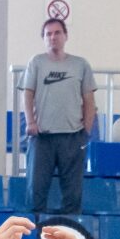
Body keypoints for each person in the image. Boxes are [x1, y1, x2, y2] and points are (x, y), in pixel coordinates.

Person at [23, 19, 96, 216]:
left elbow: (89, 99)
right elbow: (28, 94)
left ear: (65, 36)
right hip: (42, 137)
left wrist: (85, 131)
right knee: (36, 190)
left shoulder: (80, 65)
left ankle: (70, 231)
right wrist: (30, 122)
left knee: (72, 193)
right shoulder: (36, 63)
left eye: (57, 33)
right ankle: (36, 230)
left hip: (73, 137)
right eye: (48, 34)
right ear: (43, 38)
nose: (53, 37)